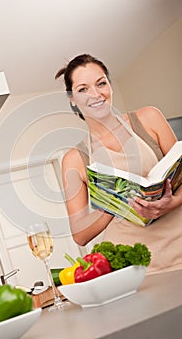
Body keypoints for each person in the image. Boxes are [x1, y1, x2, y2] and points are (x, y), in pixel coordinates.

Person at [55, 53, 182, 274]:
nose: (95, 94)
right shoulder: (75, 159)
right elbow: (80, 233)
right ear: (72, 99)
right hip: (135, 266)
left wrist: (172, 203)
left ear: (110, 86)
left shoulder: (148, 119)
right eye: (83, 89)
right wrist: (115, 204)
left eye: (101, 83)